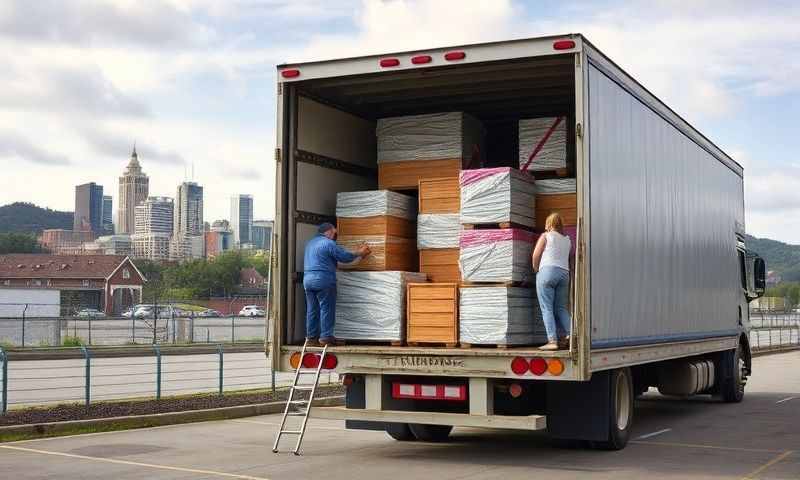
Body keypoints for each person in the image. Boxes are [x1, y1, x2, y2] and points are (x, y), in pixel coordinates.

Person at [303, 222, 370, 347]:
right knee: (326, 307)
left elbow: (327, 260)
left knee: (312, 309)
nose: (335, 236)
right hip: (323, 279)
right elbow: (344, 257)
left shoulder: (310, 243)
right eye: (334, 233)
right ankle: (325, 337)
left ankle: (311, 337)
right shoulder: (328, 243)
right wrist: (359, 253)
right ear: (328, 231)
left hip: (307, 280)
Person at [531, 212, 573, 351]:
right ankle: (572, 335)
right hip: (564, 274)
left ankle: (552, 340)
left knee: (546, 308)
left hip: (547, 271)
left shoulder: (546, 236)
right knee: (561, 308)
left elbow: (536, 255)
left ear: (549, 224)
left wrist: (537, 269)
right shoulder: (567, 240)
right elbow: (569, 259)